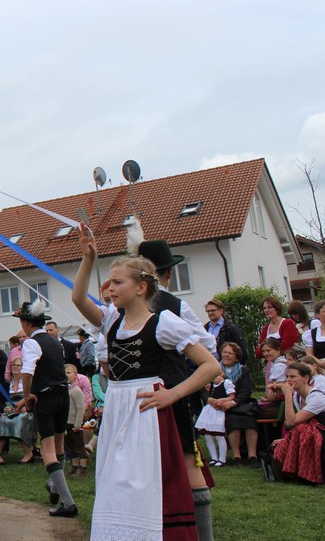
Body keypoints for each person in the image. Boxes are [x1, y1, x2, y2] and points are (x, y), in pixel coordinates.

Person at [73, 224, 221, 541]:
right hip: (118, 406)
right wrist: (88, 258)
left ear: (142, 286)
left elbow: (210, 362)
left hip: (151, 405)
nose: (109, 288)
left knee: (155, 478)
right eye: (109, 282)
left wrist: (173, 394)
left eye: (117, 282)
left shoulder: (167, 318)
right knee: (116, 478)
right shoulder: (113, 320)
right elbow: (78, 298)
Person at [137, 238, 219, 541]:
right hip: (171, 389)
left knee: (178, 460)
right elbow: (207, 345)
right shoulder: (177, 305)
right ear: (167, 274)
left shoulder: (120, 306)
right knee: (186, 459)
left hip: (149, 395)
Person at [14, 301, 78, 518]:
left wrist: (27, 396)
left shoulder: (31, 343)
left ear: (25, 322)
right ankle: (54, 484)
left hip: (47, 397)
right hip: (63, 394)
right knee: (59, 444)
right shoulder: (55, 341)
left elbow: (27, 371)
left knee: (47, 449)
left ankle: (68, 503)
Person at [272, 363, 325, 484]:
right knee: (283, 443)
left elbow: (292, 421)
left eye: (293, 376)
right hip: (314, 435)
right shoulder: (297, 396)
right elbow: (291, 422)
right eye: (287, 377)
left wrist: (287, 395)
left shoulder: (317, 397)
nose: (289, 380)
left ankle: (310, 474)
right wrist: (286, 439)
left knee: (304, 430)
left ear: (306, 378)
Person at [217, 342, 259, 465]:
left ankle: (252, 455)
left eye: (230, 353)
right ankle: (236, 456)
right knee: (233, 419)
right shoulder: (215, 369)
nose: (226, 355)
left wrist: (234, 402)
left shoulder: (243, 370)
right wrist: (223, 402)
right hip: (222, 405)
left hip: (241, 403)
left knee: (250, 419)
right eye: (225, 352)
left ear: (237, 357)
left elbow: (246, 391)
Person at [0, 357, 35, 464]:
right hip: (9, 411)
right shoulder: (6, 383)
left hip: (26, 411)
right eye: (13, 365)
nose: (15, 367)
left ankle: (28, 453)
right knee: (3, 421)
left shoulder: (28, 383)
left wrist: (26, 407)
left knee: (20, 421)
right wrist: (5, 408)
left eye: (18, 365)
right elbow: (1, 400)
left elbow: (32, 398)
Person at [195, 374, 235, 467]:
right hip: (209, 411)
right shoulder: (210, 385)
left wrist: (222, 400)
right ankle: (214, 458)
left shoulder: (226, 383)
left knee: (219, 436)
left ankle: (222, 459)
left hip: (218, 411)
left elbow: (232, 396)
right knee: (207, 435)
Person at [203, 299, 248, 366]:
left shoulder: (229, 327)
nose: (210, 313)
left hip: (228, 366)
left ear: (221, 311)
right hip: (210, 366)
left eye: (213, 310)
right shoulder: (205, 328)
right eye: (208, 311)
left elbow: (241, 349)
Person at [256, 296, 299, 361]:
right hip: (270, 364)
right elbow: (258, 352)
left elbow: (288, 345)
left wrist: (266, 350)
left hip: (286, 362)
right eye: (264, 308)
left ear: (277, 308)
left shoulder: (287, 323)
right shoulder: (265, 328)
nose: (266, 310)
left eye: (270, 307)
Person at [64, 364, 89, 477]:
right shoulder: (66, 390)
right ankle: (74, 466)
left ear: (75, 375)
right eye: (64, 373)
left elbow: (81, 407)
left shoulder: (76, 391)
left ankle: (82, 468)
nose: (66, 375)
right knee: (71, 446)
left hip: (75, 424)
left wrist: (78, 423)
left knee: (79, 446)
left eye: (69, 373)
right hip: (67, 423)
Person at [304, 299, 325, 371]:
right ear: (318, 314)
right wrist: (320, 363)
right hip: (321, 369)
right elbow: (309, 354)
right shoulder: (311, 334)